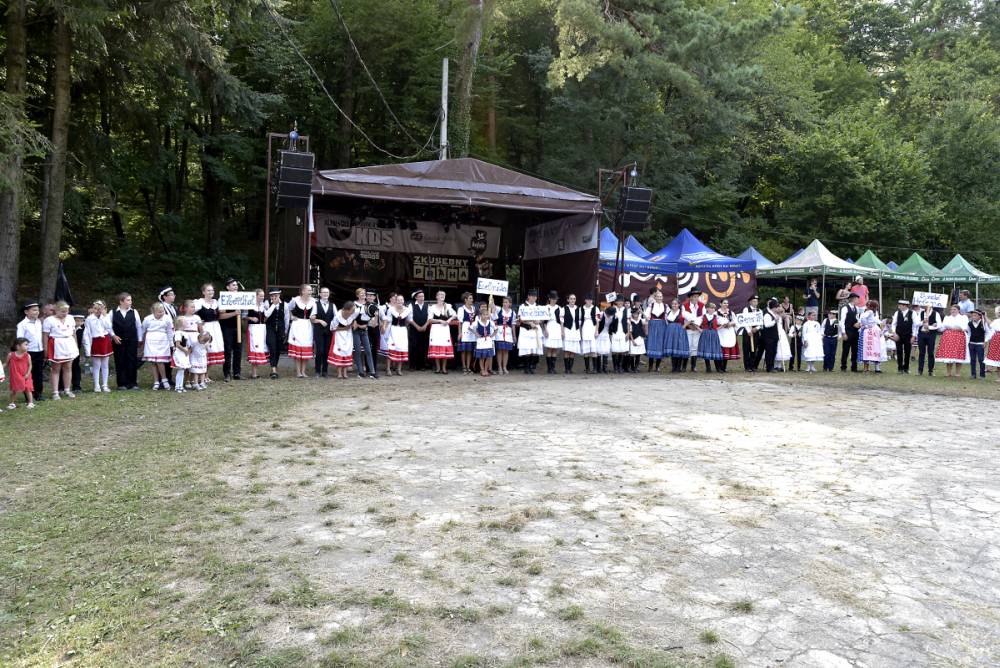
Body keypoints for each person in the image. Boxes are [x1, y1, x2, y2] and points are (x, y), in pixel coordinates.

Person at [42, 301, 80, 399]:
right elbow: (45, 335)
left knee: (68, 367)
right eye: (62, 311)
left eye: (66, 311)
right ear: (56, 310)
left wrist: (75, 345)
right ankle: (55, 392)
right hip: (56, 345)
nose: (65, 313)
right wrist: (45, 348)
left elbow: (73, 333)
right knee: (56, 369)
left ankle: (67, 390)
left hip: (69, 343)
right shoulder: (49, 320)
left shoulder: (71, 318)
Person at [111, 292, 143, 390]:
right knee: (120, 360)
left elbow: (138, 326)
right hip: (118, 341)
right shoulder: (112, 312)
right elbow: (108, 326)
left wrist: (140, 339)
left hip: (132, 340)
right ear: (121, 301)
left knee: (132, 360)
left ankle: (133, 383)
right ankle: (122, 384)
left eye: (131, 300)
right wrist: (113, 336)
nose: (130, 302)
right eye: (128, 300)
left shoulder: (134, 312)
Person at [16, 301, 44, 403]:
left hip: (39, 351)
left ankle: (38, 393)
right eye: (34, 310)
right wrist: (23, 352)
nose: (37, 312)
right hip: (28, 352)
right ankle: (28, 395)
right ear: (26, 312)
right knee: (28, 374)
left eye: (37, 310)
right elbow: (20, 339)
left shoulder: (38, 322)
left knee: (38, 373)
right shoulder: (22, 324)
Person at [194, 284, 225, 375]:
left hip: (216, 327)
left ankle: (206, 375)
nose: (211, 292)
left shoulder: (216, 302)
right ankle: (200, 374)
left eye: (212, 290)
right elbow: (189, 312)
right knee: (205, 350)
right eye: (208, 290)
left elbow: (222, 312)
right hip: (206, 327)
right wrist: (199, 322)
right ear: (203, 292)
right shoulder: (199, 302)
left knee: (213, 350)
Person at [83, 300, 114, 393]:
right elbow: (87, 334)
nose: (97, 310)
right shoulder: (89, 319)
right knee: (96, 365)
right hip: (95, 341)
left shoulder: (105, 318)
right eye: (95, 308)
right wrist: (87, 348)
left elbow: (108, 327)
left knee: (105, 364)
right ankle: (96, 385)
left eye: (100, 308)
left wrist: (103, 317)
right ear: (92, 309)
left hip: (105, 340)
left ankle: (105, 384)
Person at [287, 284, 316, 378]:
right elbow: (288, 308)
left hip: (307, 325)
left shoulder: (314, 302)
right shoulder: (295, 300)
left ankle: (303, 371)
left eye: (311, 290)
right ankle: (298, 372)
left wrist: (313, 317)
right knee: (298, 348)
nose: (310, 292)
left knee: (305, 348)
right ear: (303, 291)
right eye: (308, 290)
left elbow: (315, 313)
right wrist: (291, 316)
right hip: (297, 325)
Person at [142, 302, 173, 390]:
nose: (161, 313)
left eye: (162, 311)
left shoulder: (167, 318)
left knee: (160, 361)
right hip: (151, 341)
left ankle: (164, 379)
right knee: (153, 362)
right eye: (159, 312)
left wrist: (171, 344)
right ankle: (156, 381)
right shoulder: (148, 319)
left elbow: (170, 332)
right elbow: (143, 330)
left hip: (162, 341)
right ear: (153, 311)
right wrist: (141, 341)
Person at [217, 278, 243, 381]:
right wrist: (234, 313)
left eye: (236, 285)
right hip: (227, 327)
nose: (235, 287)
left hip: (238, 327)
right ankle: (227, 374)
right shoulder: (222, 299)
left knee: (238, 350)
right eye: (233, 285)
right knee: (227, 350)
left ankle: (237, 373)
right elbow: (221, 316)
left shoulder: (241, 298)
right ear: (227, 287)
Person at [428, 290, 457, 374]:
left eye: (443, 294)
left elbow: (455, 315)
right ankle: (438, 368)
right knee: (437, 347)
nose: (442, 296)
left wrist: (448, 320)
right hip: (436, 328)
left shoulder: (447, 306)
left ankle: (444, 368)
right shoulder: (432, 307)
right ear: (436, 297)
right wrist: (440, 321)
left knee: (444, 347)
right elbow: (430, 320)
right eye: (440, 294)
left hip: (444, 329)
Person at [936, 304, 969, 378]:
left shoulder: (963, 317)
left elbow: (965, 327)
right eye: (951, 309)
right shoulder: (947, 318)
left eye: (954, 309)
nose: (953, 311)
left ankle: (957, 372)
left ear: (958, 310)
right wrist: (937, 326)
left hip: (959, 337)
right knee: (948, 355)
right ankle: (948, 372)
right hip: (948, 337)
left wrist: (955, 328)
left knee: (958, 354)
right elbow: (942, 328)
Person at [383, 294, 411, 376]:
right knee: (391, 348)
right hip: (393, 330)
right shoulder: (391, 309)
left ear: (403, 301)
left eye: (401, 300)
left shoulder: (407, 310)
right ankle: (388, 369)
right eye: (398, 300)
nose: (400, 301)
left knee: (401, 348)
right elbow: (388, 320)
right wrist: (384, 328)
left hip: (402, 331)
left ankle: (399, 369)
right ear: (396, 301)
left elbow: (408, 320)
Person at [328, 301, 358, 379]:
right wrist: (345, 328)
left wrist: (354, 323)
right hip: (339, 336)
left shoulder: (353, 315)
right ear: (347, 310)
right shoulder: (338, 316)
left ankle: (345, 373)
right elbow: (332, 328)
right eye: (352, 310)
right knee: (340, 352)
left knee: (347, 352)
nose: (353, 311)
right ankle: (339, 373)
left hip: (348, 336)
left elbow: (357, 318)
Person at [352, 288, 377, 379]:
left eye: (364, 293)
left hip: (364, 330)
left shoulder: (369, 305)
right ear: (357, 295)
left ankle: (372, 372)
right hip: (355, 331)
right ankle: (360, 372)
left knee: (368, 351)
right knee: (358, 351)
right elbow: (351, 318)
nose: (363, 295)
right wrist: (357, 324)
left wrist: (367, 324)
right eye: (361, 293)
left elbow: (372, 318)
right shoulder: (354, 304)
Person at [517, 289, 543, 374]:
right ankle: (526, 367)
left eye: (535, 296)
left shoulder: (538, 306)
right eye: (532, 296)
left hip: (535, 330)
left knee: (533, 349)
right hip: (526, 330)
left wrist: (539, 321)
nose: (534, 297)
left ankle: (531, 367)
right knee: (527, 349)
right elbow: (520, 319)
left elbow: (542, 318)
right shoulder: (523, 306)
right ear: (528, 296)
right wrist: (529, 322)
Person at [179, 299, 204, 389]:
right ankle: (186, 380)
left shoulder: (197, 318)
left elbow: (201, 330)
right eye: (191, 307)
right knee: (187, 359)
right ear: (185, 308)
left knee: (194, 359)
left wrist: (203, 339)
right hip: (186, 338)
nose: (193, 309)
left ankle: (194, 379)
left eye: (194, 307)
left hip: (195, 338)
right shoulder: (182, 318)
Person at [312, 287, 335, 378]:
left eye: (327, 292)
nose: (325, 294)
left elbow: (336, 318)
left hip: (329, 331)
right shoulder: (315, 304)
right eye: (324, 292)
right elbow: (312, 319)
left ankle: (325, 371)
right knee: (320, 351)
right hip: (318, 331)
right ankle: (317, 371)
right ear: (320, 294)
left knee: (326, 351)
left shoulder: (333, 305)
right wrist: (320, 321)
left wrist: (333, 325)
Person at [246, 289, 270, 379]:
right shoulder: (250, 305)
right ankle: (254, 373)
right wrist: (251, 318)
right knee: (254, 348)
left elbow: (265, 317)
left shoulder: (264, 306)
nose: (262, 297)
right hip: (253, 329)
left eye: (263, 296)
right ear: (255, 296)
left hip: (262, 329)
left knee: (260, 348)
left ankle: (255, 372)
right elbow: (243, 316)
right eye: (260, 296)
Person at [6, 338, 34, 409]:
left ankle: (30, 403)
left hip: (26, 375)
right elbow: (6, 364)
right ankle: (12, 403)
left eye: (28, 345)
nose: (28, 347)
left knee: (28, 388)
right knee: (14, 389)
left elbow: (30, 365)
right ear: (18, 346)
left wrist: (28, 373)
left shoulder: (27, 355)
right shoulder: (11, 355)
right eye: (26, 345)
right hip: (15, 376)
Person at [888, 299, 915, 374]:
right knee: (899, 351)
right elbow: (893, 324)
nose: (899, 306)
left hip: (908, 335)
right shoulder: (897, 313)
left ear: (905, 306)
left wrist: (913, 336)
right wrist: (894, 333)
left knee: (907, 352)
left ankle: (906, 368)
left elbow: (915, 325)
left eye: (900, 305)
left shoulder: (912, 313)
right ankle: (900, 368)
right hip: (898, 335)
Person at [858, 300, 885, 373]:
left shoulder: (872, 313)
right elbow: (863, 318)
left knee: (872, 348)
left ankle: (870, 367)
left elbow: (875, 319)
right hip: (868, 331)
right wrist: (866, 325)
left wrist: (881, 322)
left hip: (872, 331)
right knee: (867, 349)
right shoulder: (869, 312)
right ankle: (866, 368)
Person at [644, 290, 668, 373]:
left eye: (661, 297)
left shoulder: (665, 306)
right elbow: (646, 315)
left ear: (662, 297)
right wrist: (649, 322)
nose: (659, 298)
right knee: (652, 345)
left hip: (662, 326)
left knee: (659, 345)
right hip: (653, 326)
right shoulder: (651, 305)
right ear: (655, 297)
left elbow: (668, 317)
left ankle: (657, 366)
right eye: (658, 296)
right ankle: (650, 367)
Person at [264, 289, 285, 379]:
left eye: (276, 295)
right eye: (272, 296)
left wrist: (286, 330)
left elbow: (286, 317)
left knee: (278, 349)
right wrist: (273, 305)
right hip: (270, 328)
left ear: (279, 295)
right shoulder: (267, 303)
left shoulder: (285, 304)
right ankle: (273, 369)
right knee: (272, 347)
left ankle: (275, 366)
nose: (274, 297)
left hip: (280, 329)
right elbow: (267, 315)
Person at [680, 290, 703, 372]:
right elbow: (683, 317)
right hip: (688, 329)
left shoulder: (701, 305)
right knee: (688, 346)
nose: (695, 298)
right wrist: (690, 325)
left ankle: (693, 366)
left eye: (697, 296)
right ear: (690, 297)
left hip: (697, 329)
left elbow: (701, 318)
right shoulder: (684, 305)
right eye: (693, 296)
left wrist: (696, 326)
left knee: (695, 347)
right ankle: (684, 366)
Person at [738, 295, 762, 372]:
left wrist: (756, 328)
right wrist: (748, 330)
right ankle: (747, 366)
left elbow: (761, 323)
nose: (756, 303)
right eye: (754, 301)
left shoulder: (759, 311)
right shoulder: (746, 309)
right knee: (746, 349)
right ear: (750, 302)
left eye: (757, 301)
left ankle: (752, 365)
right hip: (747, 332)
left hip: (755, 332)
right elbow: (745, 321)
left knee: (754, 349)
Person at [664, 298, 689, 373]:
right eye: (673, 304)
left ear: (679, 305)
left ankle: (678, 367)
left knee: (679, 348)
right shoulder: (668, 312)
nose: (674, 305)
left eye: (676, 304)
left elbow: (691, 319)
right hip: (671, 332)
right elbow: (666, 322)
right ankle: (673, 367)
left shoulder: (682, 312)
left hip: (679, 331)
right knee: (672, 348)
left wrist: (684, 326)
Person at [541, 291, 563, 374]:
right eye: (553, 298)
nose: (554, 300)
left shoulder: (559, 308)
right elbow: (544, 321)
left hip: (557, 328)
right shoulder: (546, 307)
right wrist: (545, 330)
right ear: (549, 299)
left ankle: (553, 368)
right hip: (549, 327)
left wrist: (561, 331)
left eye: (555, 299)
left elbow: (561, 321)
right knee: (549, 348)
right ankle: (549, 368)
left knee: (555, 349)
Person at [696, 303, 723, 372]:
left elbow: (725, 322)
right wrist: (700, 330)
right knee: (706, 349)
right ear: (707, 309)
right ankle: (708, 367)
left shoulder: (716, 317)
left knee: (714, 349)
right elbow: (695, 323)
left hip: (714, 334)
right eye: (711, 308)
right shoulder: (703, 316)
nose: (712, 309)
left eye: (713, 308)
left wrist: (718, 328)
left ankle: (718, 368)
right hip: (705, 334)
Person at [916, 304, 941, 376]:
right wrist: (922, 322)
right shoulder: (921, 313)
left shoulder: (936, 313)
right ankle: (920, 370)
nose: (925, 306)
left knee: (930, 352)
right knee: (921, 353)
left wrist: (930, 327)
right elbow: (916, 323)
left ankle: (931, 370)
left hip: (931, 334)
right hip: (921, 334)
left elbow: (939, 325)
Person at [456, 292, 478, 374]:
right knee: (464, 350)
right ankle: (464, 366)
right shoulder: (461, 309)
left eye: (472, 298)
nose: (472, 300)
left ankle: (468, 366)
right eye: (470, 298)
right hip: (465, 329)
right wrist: (460, 333)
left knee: (469, 350)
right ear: (465, 300)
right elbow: (460, 322)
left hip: (472, 329)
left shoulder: (473, 308)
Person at [408, 290, 430, 371]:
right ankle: (412, 365)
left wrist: (425, 325)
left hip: (424, 329)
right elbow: (409, 318)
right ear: (416, 297)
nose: (422, 298)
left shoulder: (427, 306)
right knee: (413, 346)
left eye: (423, 296)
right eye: (420, 296)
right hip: (414, 329)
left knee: (423, 346)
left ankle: (422, 365)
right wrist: (417, 326)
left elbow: (429, 317)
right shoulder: (411, 305)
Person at [494, 296, 516, 375]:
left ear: (510, 303)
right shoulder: (499, 309)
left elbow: (513, 325)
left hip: (508, 333)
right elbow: (491, 305)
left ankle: (504, 367)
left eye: (507, 302)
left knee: (506, 351)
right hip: (500, 332)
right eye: (504, 302)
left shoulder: (513, 313)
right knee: (499, 350)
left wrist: (514, 336)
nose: (505, 304)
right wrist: (491, 297)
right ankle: (499, 367)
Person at [839, 293, 861, 372]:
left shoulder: (857, 308)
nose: (858, 300)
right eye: (857, 299)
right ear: (853, 299)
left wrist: (859, 324)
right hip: (848, 331)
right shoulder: (845, 308)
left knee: (855, 350)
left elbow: (858, 319)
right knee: (846, 350)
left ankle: (854, 367)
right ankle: (843, 366)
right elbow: (842, 321)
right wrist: (843, 333)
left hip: (855, 332)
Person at [561, 293, 582, 374]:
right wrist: (562, 331)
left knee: (573, 350)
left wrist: (580, 332)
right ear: (568, 300)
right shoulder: (564, 309)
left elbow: (580, 321)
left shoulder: (578, 309)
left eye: (574, 299)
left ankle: (570, 368)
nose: (573, 300)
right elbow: (562, 321)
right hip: (567, 330)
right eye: (571, 298)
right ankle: (566, 369)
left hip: (575, 331)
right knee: (567, 350)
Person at [716, 300, 739, 373]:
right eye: (724, 303)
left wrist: (730, 324)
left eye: (727, 303)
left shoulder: (731, 313)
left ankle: (723, 367)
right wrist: (722, 324)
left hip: (729, 332)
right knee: (720, 350)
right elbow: (714, 322)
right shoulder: (716, 313)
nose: (726, 304)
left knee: (727, 349)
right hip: (720, 332)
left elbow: (736, 321)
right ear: (720, 304)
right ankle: (719, 367)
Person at [609, 293, 629, 373]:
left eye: (621, 301)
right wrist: (614, 318)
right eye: (618, 301)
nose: (620, 302)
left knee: (622, 350)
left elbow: (628, 322)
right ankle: (615, 367)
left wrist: (628, 332)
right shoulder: (613, 309)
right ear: (616, 302)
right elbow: (609, 321)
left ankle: (620, 366)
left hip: (623, 331)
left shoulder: (625, 310)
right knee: (615, 350)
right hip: (615, 331)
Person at [474, 303, 496, 376]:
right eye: (484, 315)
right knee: (481, 356)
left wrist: (492, 336)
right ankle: (482, 370)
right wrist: (477, 334)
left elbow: (496, 329)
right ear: (480, 315)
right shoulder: (477, 322)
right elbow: (471, 328)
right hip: (481, 340)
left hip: (488, 340)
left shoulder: (490, 322)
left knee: (488, 356)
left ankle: (486, 370)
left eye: (487, 315)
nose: (486, 316)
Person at [171, 317, 192, 393]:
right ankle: (178, 387)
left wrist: (188, 350)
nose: (187, 323)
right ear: (181, 324)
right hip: (179, 353)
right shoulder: (178, 333)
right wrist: (185, 351)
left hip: (183, 353)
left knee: (182, 370)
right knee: (180, 370)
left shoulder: (184, 333)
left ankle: (180, 386)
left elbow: (187, 344)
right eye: (185, 322)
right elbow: (177, 344)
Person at [580, 295, 598, 373]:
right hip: (585, 328)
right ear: (585, 300)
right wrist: (580, 332)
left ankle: (594, 368)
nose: (589, 301)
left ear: (592, 301)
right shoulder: (581, 309)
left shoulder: (596, 308)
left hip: (592, 327)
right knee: (586, 350)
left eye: (590, 300)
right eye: (588, 299)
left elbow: (598, 320)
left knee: (593, 350)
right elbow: (580, 321)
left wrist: (596, 330)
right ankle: (587, 368)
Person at [761, 299, 781, 372]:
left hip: (774, 336)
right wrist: (774, 321)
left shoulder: (774, 314)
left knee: (774, 351)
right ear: (773, 308)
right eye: (776, 307)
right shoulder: (767, 315)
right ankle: (769, 367)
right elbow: (767, 325)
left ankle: (772, 366)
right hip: (769, 337)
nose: (777, 309)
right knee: (769, 352)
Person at [967, 309, 988, 379]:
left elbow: (987, 332)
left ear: (979, 316)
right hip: (972, 343)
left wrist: (985, 341)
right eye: (972, 315)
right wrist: (968, 342)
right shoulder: (969, 323)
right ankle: (973, 374)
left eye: (975, 315)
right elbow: (969, 333)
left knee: (981, 359)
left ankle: (982, 375)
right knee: (972, 359)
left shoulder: (983, 323)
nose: (973, 317)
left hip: (980, 343)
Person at [625, 306, 645, 373]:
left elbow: (647, 320)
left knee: (638, 354)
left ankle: (636, 368)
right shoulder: (630, 321)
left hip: (640, 338)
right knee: (632, 354)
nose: (635, 315)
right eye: (634, 313)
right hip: (633, 339)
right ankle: (632, 367)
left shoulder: (640, 320)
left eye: (637, 313)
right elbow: (629, 332)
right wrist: (632, 341)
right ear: (632, 314)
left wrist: (642, 312)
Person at [985, 306, 1000, 381]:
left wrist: (986, 317)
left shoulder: (997, 321)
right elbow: (991, 325)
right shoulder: (997, 321)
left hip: (997, 339)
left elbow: (990, 324)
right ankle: (999, 377)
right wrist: (985, 317)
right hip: (996, 340)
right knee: (997, 360)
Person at [775, 307, 792, 372]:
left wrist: (787, 317)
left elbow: (786, 317)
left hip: (781, 332)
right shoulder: (776, 317)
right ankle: (775, 365)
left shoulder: (780, 317)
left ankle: (779, 365)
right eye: (782, 312)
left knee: (782, 349)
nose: (783, 314)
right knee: (778, 349)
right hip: (777, 332)